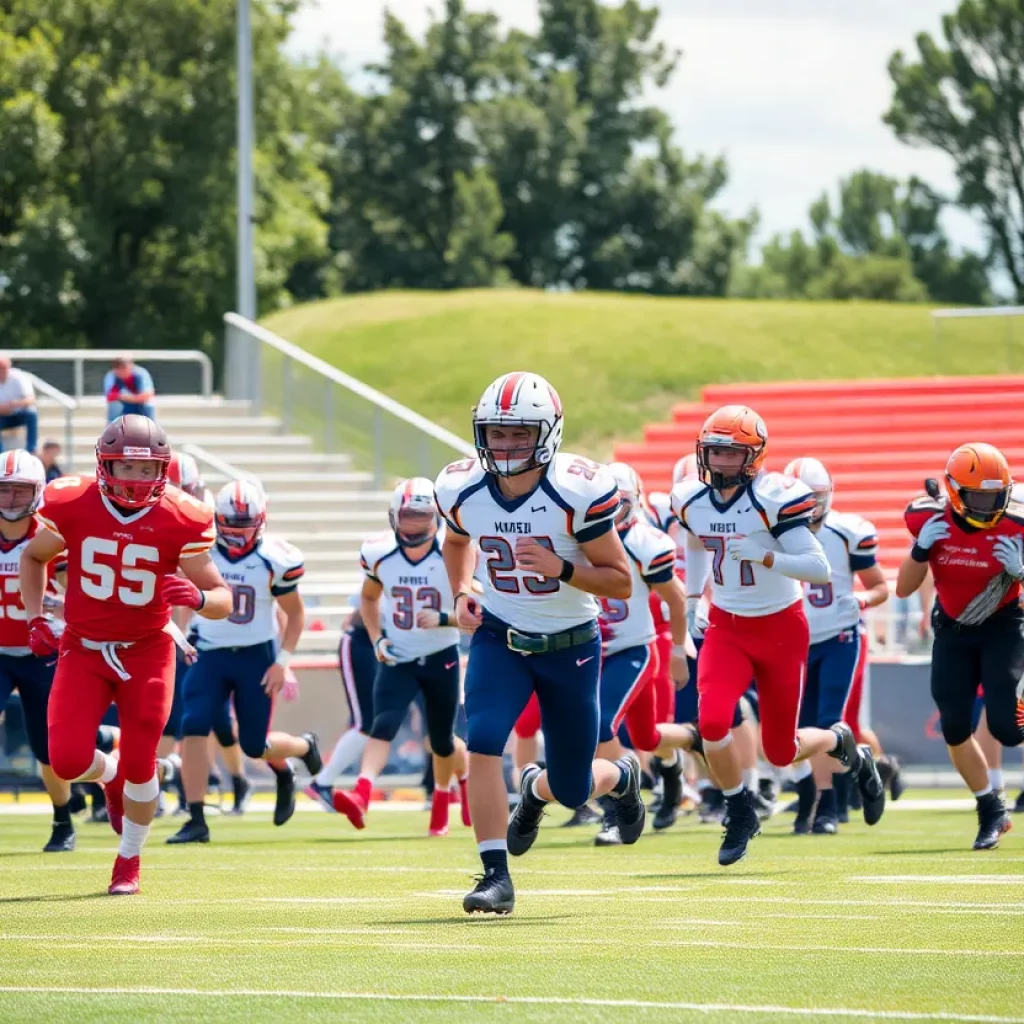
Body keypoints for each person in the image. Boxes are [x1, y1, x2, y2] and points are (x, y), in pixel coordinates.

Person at [435, 370, 645, 916]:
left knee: (574, 789)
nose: (506, 445)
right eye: (497, 433)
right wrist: (462, 592)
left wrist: (561, 569)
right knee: (481, 741)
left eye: (519, 434)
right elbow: (456, 540)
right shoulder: (462, 489)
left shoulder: (576, 490)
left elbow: (620, 580)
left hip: (570, 644)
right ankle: (495, 875)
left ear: (547, 434)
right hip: (499, 639)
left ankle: (620, 775)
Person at [20, 415, 233, 895]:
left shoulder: (184, 515)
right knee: (68, 759)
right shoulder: (71, 501)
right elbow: (34, 558)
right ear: (104, 464)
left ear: (162, 469)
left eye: (146, 471)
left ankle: (129, 860)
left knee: (143, 764)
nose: (136, 482)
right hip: (83, 647)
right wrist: (37, 618)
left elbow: (222, 598)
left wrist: (198, 599)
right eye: (125, 468)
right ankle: (108, 775)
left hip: (147, 651)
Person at [671, 405, 886, 867]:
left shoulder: (775, 497)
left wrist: (765, 556)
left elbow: (819, 568)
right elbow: (695, 539)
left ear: (754, 457)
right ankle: (739, 808)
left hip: (781, 627)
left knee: (781, 750)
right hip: (727, 624)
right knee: (711, 723)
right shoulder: (691, 498)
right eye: (713, 452)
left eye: (730, 454)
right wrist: (693, 599)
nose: (718, 462)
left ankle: (838, 741)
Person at [167, 479, 320, 843]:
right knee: (193, 725)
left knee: (254, 746)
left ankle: (302, 749)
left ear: (261, 520)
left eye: (244, 524)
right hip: (209, 653)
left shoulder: (275, 558)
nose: (236, 533)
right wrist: (183, 637)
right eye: (230, 524)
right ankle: (196, 818)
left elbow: (294, 615)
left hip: (255, 656)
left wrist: (282, 661)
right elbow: (182, 599)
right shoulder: (201, 551)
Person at [898, 442, 1024, 850]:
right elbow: (903, 588)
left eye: (995, 496)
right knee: (954, 725)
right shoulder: (928, 519)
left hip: (1002, 625)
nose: (988, 505)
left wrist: (1020, 573)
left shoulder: (1017, 525)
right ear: (955, 491)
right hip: (952, 629)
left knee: (1007, 728)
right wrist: (920, 550)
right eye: (979, 496)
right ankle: (990, 809)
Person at [327, 478, 470, 837]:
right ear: (393, 517)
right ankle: (361, 793)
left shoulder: (452, 551)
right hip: (400, 656)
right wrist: (377, 639)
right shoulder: (378, 552)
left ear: (436, 517)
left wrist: (443, 618)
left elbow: (477, 611)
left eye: (422, 517)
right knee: (383, 723)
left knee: (441, 740)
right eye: (408, 516)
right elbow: (369, 598)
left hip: (441, 655)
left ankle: (451, 792)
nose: (414, 525)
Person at [783, 457, 890, 834]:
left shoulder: (847, 532)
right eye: (801, 498)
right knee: (800, 727)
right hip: (794, 643)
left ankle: (828, 804)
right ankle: (849, 777)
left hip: (840, 636)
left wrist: (861, 600)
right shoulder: (770, 532)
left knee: (829, 721)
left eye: (815, 497)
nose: (809, 505)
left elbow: (880, 587)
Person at [594, 462, 698, 843]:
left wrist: (675, 644)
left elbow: (675, 597)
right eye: (603, 502)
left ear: (634, 503)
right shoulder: (575, 535)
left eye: (618, 502)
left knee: (600, 723)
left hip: (632, 648)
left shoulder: (644, 542)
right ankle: (688, 741)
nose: (610, 510)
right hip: (590, 648)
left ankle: (617, 809)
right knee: (647, 737)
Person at [0, 450, 74, 851]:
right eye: (4, 491)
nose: (10, 500)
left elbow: (75, 597)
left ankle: (63, 819)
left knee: (49, 750)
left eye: (19, 491)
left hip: (42, 651)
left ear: (38, 492)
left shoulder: (52, 537)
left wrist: (48, 606)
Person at [306, 597, 377, 806]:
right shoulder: (386, 567)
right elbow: (366, 608)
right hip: (363, 642)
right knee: (365, 723)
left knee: (376, 723)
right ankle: (323, 782)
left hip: (386, 645)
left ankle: (328, 782)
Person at [0, 357, 38, 454]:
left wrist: (13, 405)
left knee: (31, 413)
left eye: (4, 368)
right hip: (2, 417)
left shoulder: (19, 378)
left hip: (18, 414)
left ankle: (31, 449)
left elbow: (30, 399)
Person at [104, 357, 156, 423]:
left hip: (141, 404)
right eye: (119, 368)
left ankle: (149, 427)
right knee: (115, 405)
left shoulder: (141, 374)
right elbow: (110, 396)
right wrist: (134, 398)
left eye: (125, 368)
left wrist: (124, 397)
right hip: (124, 405)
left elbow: (148, 395)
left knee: (148, 404)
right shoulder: (112, 376)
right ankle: (113, 428)